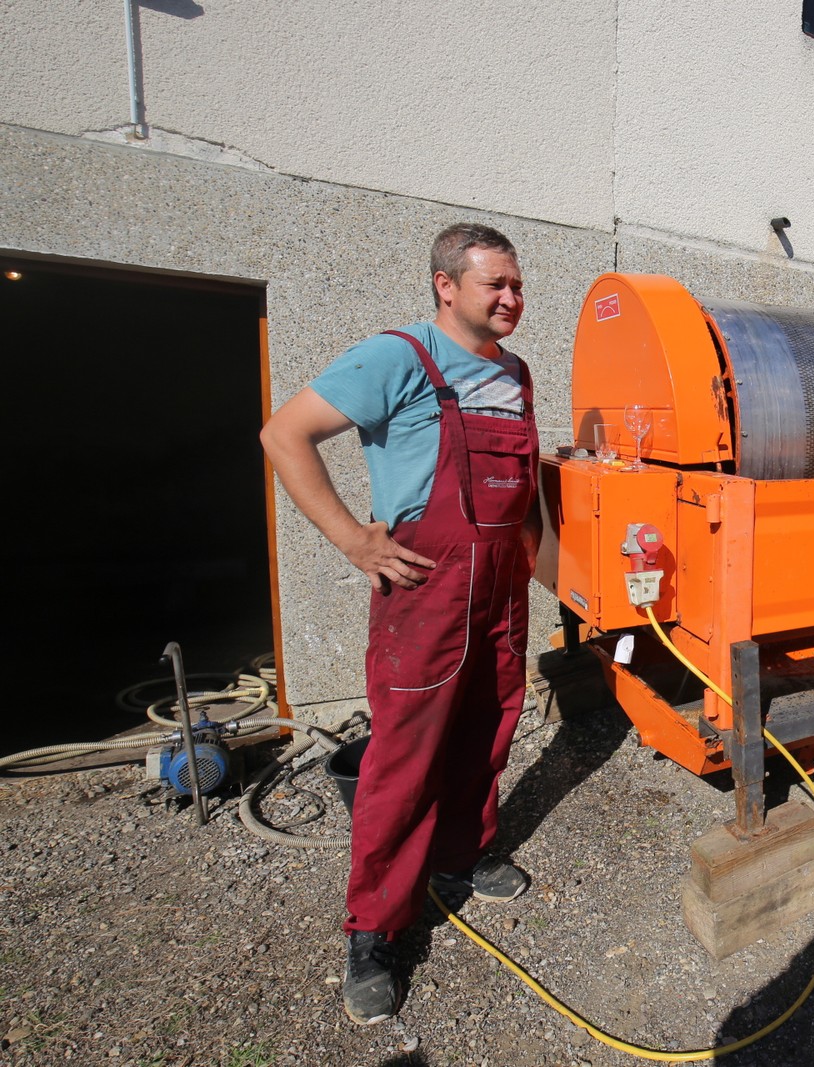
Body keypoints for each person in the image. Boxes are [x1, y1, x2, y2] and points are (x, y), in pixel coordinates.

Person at [259, 223, 540, 1026]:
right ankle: (374, 931)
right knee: (404, 758)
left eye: (518, 285)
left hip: (499, 591)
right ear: (446, 286)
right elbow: (284, 434)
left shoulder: (515, 373)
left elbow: (521, 483)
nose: (513, 299)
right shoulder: (399, 357)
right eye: (496, 285)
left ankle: (460, 856)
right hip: (426, 591)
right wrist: (353, 539)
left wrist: (530, 553)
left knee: (489, 726)